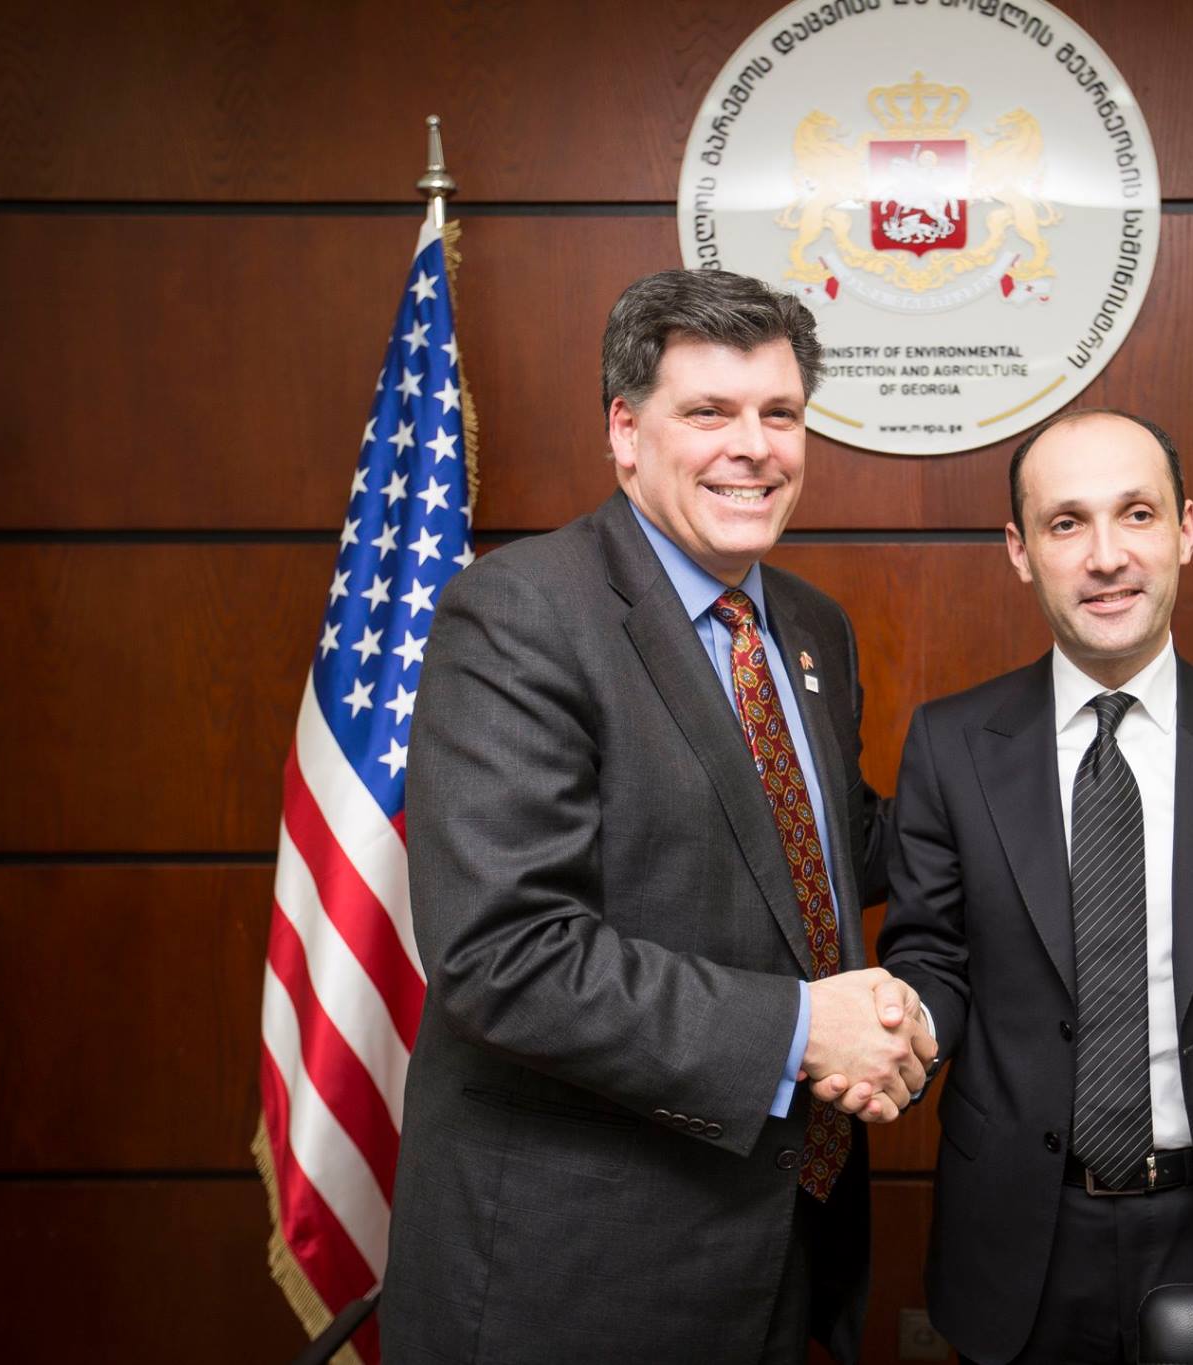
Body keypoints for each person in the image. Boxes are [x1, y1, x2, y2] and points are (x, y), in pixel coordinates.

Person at [383, 269, 934, 1365]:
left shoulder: (810, 629)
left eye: (780, 413)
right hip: (577, 1275)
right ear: (625, 433)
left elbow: (821, 855)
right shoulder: (521, 612)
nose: (754, 448)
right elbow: (503, 954)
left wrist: (1042, 747)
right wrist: (797, 1030)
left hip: (781, 1242)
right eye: (709, 412)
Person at [871, 410, 1193, 1364]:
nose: (1107, 555)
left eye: (1138, 514)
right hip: (1016, 1244)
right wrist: (900, 1032)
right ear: (1020, 550)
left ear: (1186, 530)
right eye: (1066, 522)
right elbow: (932, 957)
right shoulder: (950, 747)